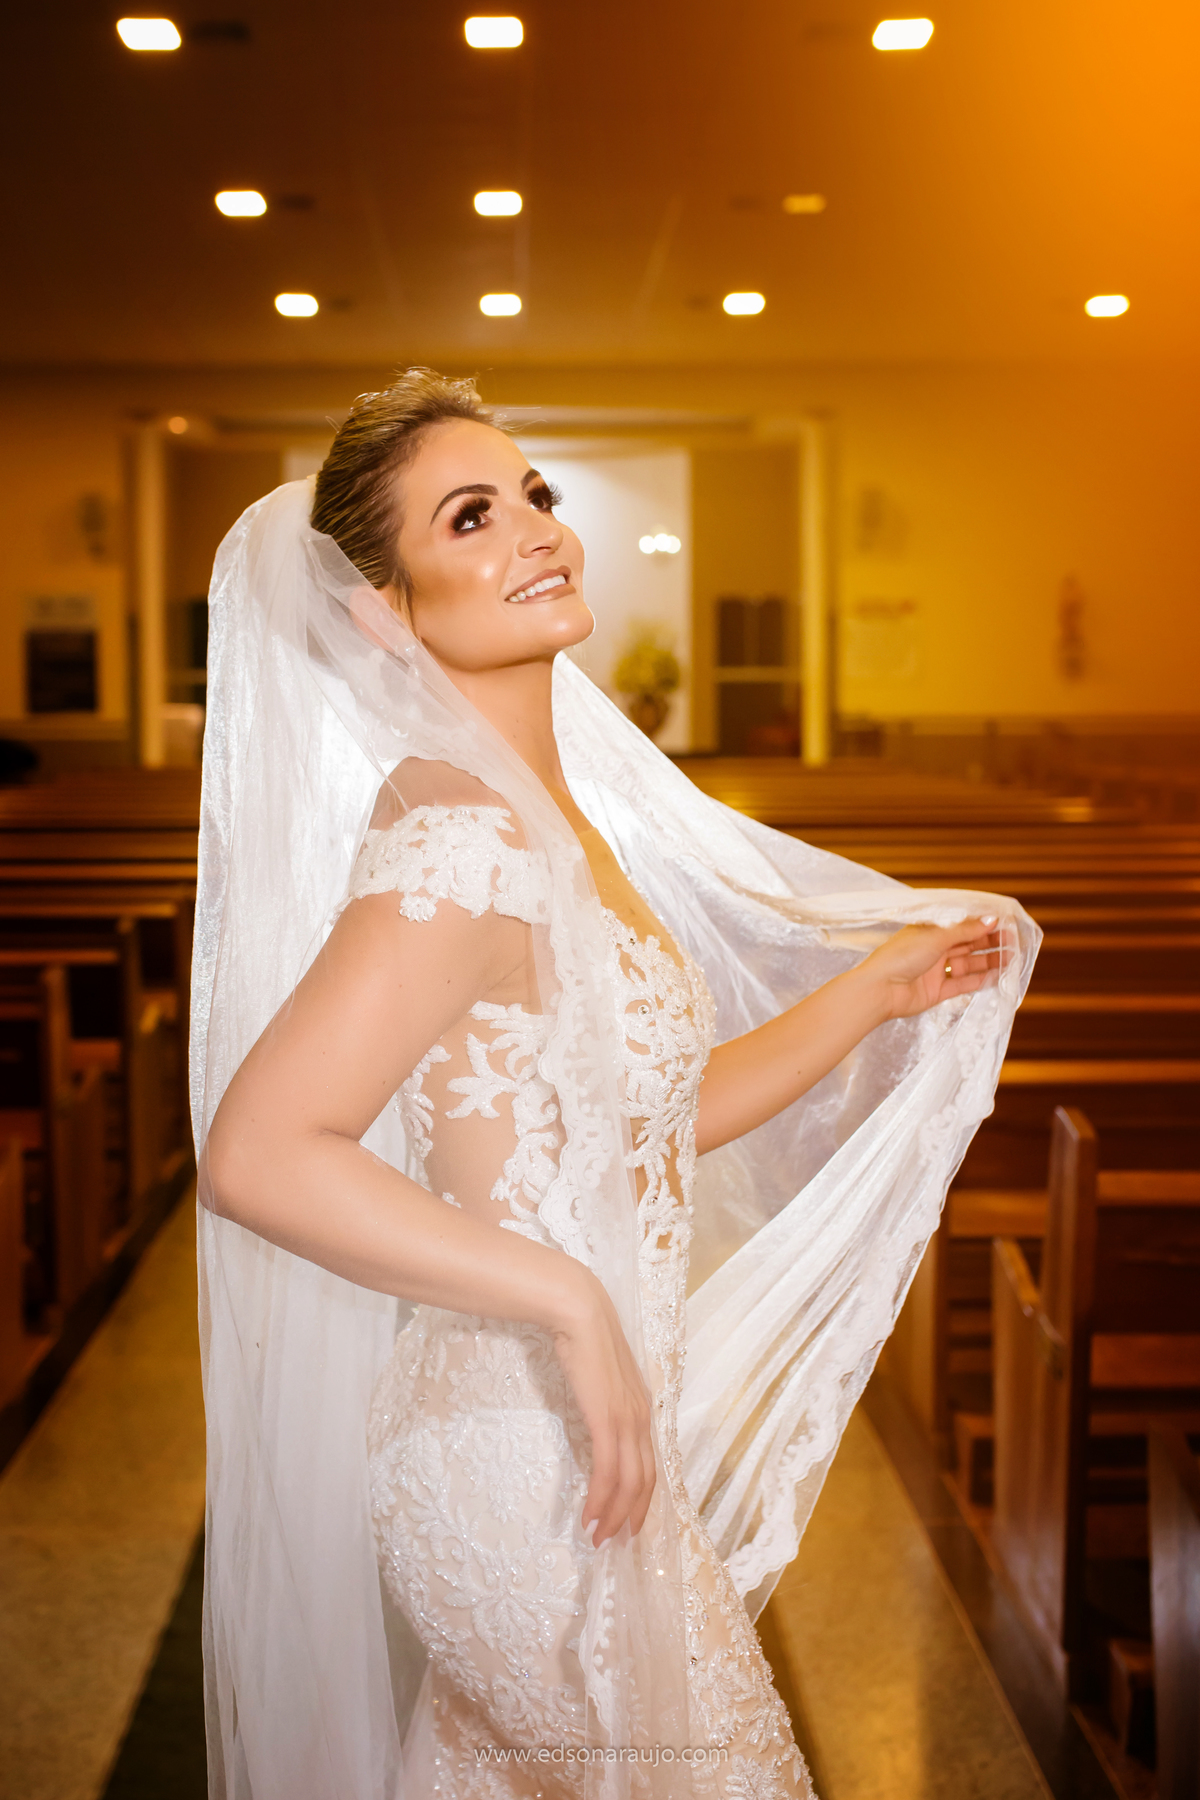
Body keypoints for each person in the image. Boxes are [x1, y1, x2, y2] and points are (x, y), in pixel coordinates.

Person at [191, 370, 1039, 1800]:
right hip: (509, 1464)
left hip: (578, 1442)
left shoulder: (556, 823)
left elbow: (639, 1126)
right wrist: (568, 1300)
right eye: (473, 515)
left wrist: (869, 995)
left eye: (535, 495)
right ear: (385, 612)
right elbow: (262, 1152)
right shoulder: (456, 835)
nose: (538, 529)